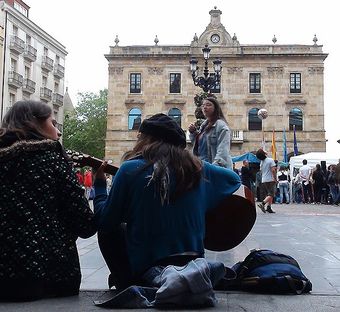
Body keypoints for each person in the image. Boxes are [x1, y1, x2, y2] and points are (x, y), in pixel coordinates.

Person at [94, 113, 241, 290]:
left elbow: (106, 221)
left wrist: (100, 186)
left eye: (140, 137)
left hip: (147, 267)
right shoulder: (199, 169)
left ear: (147, 140)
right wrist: (204, 204)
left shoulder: (129, 169)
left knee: (108, 231)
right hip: (193, 263)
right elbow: (234, 180)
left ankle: (129, 281)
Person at [0, 100, 96, 301]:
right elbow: (85, 225)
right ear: (35, 124)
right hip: (48, 277)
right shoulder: (51, 158)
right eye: (53, 123)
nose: (58, 132)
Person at [188, 97, 232, 169]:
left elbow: (223, 149)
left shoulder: (221, 125)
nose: (205, 107)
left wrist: (215, 167)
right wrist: (193, 133)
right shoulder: (204, 126)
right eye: (203, 105)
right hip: (202, 166)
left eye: (208, 105)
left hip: (214, 167)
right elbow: (199, 146)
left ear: (215, 108)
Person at [255, 149, 277, 213]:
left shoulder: (262, 162)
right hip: (270, 179)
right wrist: (275, 178)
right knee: (271, 194)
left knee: (269, 193)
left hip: (264, 179)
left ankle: (269, 207)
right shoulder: (270, 160)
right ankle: (263, 203)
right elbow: (273, 170)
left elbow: (261, 171)